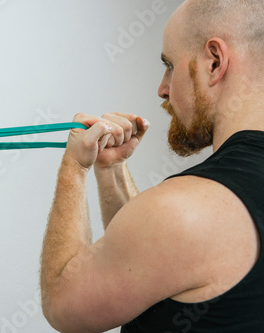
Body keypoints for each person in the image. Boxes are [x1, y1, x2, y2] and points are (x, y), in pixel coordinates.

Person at [39, 0, 264, 332]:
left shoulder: (184, 210)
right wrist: (110, 168)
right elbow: (152, 264)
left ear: (214, 62)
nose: (162, 88)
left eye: (170, 65)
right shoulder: (187, 217)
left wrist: (75, 166)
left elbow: (62, 304)